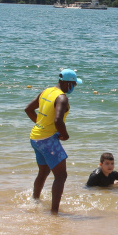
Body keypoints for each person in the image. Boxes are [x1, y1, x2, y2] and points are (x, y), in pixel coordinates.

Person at [25, 69, 82, 213]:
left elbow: (28, 109)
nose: (74, 87)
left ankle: (35, 200)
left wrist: (42, 124)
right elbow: (58, 121)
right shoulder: (62, 98)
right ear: (67, 83)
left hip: (35, 137)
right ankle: (54, 212)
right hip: (47, 140)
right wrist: (65, 135)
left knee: (43, 172)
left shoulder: (47, 91)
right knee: (61, 176)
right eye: (74, 84)